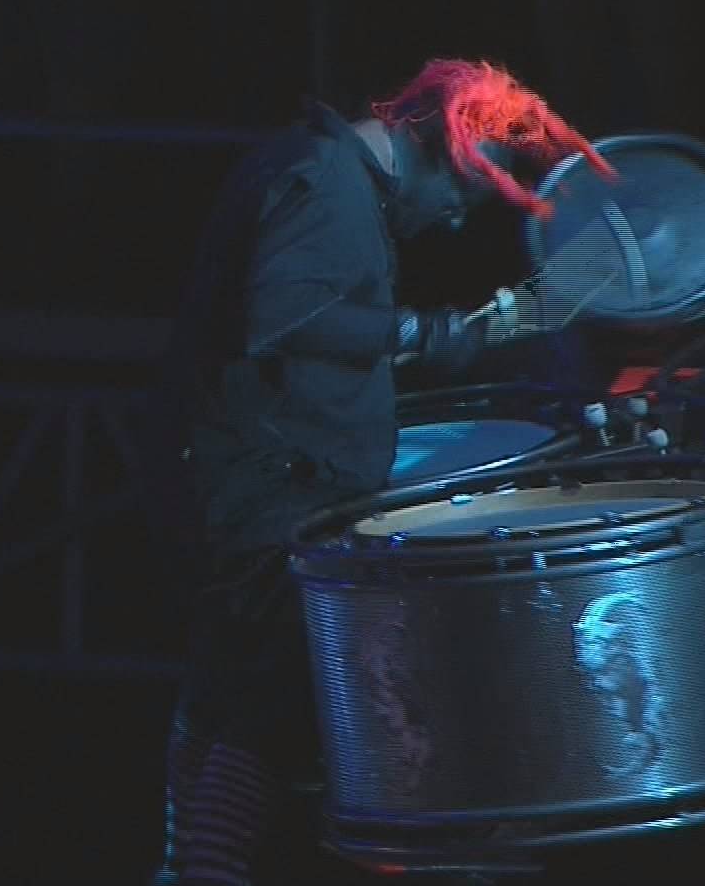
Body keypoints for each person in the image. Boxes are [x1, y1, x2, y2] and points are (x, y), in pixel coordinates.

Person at [147, 59, 616, 885]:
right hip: (273, 491)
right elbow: (289, 316)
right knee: (268, 713)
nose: (453, 220)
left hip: (264, 479)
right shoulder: (325, 184)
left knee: (231, 701)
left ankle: (192, 867)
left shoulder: (319, 172)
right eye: (464, 195)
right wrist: (434, 334)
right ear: (440, 141)